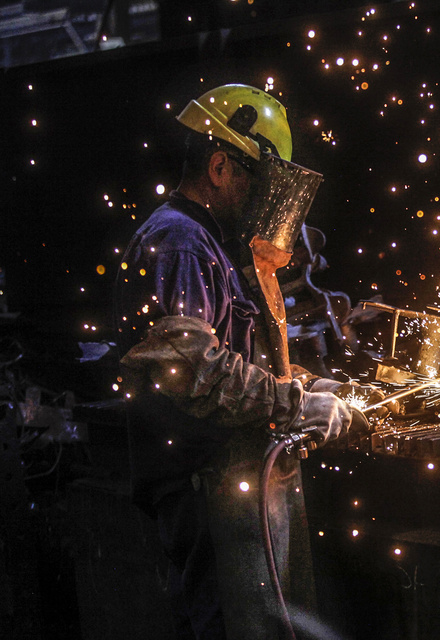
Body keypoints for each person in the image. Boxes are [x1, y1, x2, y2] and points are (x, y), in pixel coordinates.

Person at [114, 84, 361, 640]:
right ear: (221, 165)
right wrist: (295, 403)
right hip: (207, 485)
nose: (262, 196)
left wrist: (305, 381)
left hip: (231, 480)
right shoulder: (180, 241)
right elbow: (192, 371)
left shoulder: (206, 241)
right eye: (256, 178)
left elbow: (230, 356)